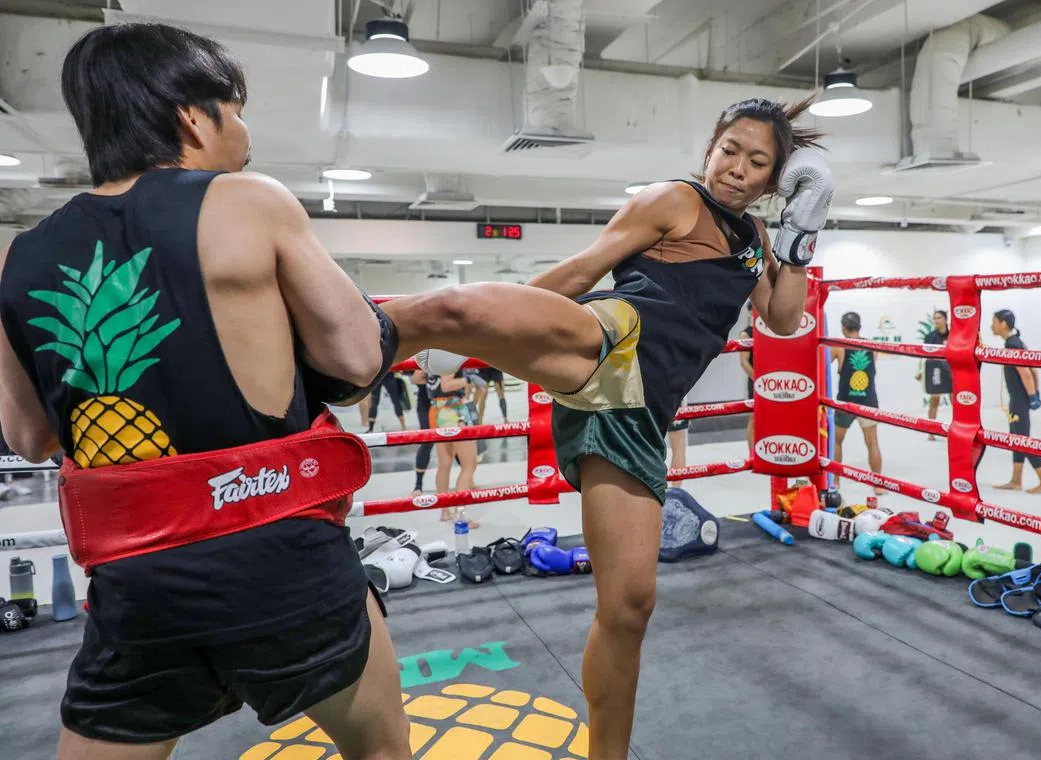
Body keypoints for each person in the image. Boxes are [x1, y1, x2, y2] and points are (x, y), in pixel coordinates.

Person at [0, 24, 414, 760]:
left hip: (139, 587)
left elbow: (29, 438)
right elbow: (356, 359)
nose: (246, 131)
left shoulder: (21, 255)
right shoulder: (249, 201)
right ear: (193, 115)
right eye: (239, 108)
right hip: (283, 564)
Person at [417, 97, 831, 758]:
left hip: (637, 416)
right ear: (710, 148)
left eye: (756, 163)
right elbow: (584, 270)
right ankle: (382, 332)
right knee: (465, 312)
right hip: (616, 341)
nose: (736, 170)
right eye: (730, 151)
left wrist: (802, 237)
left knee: (630, 607)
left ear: (772, 181)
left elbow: (784, 320)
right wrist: (486, 334)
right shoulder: (673, 200)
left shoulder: (756, 241)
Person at [990, 310, 1041, 494]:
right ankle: (1016, 480)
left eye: (994, 321)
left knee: (1023, 441)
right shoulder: (1015, 342)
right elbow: (1033, 369)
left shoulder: (1013, 345)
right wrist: (1035, 393)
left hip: (1019, 401)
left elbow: (1025, 372)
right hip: (1016, 400)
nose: (991, 325)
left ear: (1003, 324)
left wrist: (1033, 396)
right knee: (1016, 439)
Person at [829, 312, 885, 494]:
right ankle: (877, 485)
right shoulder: (871, 346)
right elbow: (869, 368)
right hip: (868, 400)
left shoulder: (839, 346)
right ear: (859, 326)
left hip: (846, 401)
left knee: (836, 441)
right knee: (872, 443)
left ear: (844, 328)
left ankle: (835, 482)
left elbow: (823, 366)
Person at [426, 370, 480, 524]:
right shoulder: (451, 354)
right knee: (469, 465)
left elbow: (417, 378)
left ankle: (444, 511)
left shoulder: (430, 353)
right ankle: (460, 515)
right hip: (454, 410)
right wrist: (467, 380)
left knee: (445, 463)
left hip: (437, 410)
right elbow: (446, 385)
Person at [921, 309, 951, 441]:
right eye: (935, 318)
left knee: (955, 400)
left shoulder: (954, 335)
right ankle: (931, 431)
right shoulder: (930, 336)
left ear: (945, 319)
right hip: (936, 371)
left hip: (951, 371)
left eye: (939, 317)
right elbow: (925, 356)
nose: (936, 320)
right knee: (934, 401)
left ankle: (958, 429)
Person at [738, 303, 756, 451]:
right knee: (754, 418)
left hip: (770, 382)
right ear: (750, 312)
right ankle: (752, 455)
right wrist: (759, 380)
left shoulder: (768, 332)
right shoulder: (746, 335)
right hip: (756, 381)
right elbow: (744, 362)